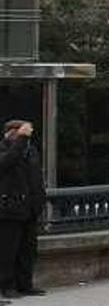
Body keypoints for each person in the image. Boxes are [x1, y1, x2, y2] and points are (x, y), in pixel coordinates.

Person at [0, 120, 46, 300]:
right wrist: (20, 139)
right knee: (8, 252)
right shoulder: (4, 149)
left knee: (28, 251)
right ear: (11, 133)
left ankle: (25, 284)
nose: (27, 136)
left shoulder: (31, 150)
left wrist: (39, 201)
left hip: (29, 209)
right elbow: (7, 162)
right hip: (9, 209)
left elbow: (36, 177)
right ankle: (7, 286)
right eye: (23, 133)